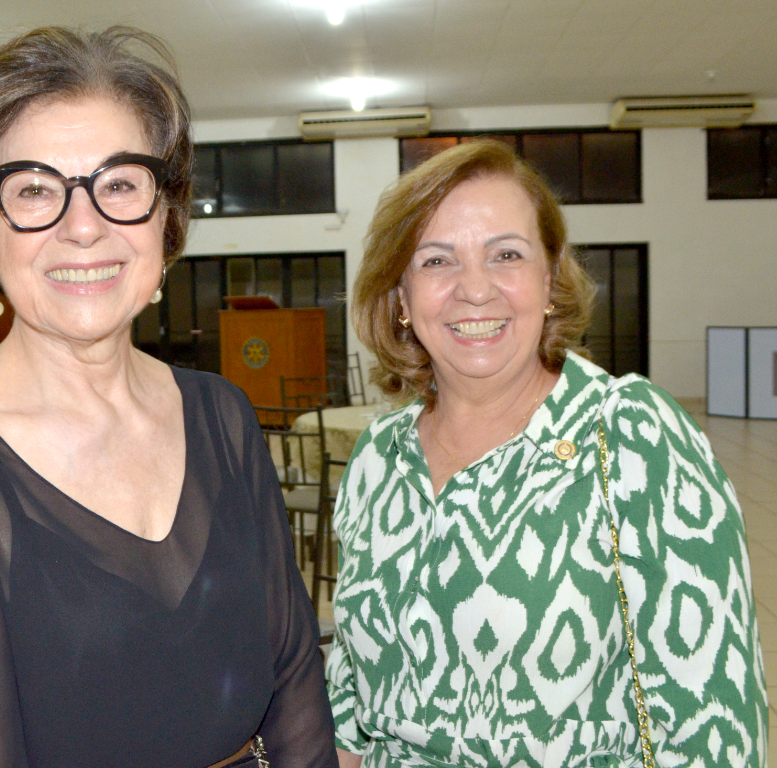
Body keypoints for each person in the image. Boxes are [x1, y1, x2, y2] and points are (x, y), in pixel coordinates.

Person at [0, 26, 337, 768]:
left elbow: (293, 674)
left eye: (119, 184)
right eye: (33, 190)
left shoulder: (221, 415)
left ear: (166, 216)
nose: (82, 227)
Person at [325, 139, 767, 767]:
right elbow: (350, 701)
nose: (474, 290)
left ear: (550, 280)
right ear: (400, 298)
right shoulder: (379, 458)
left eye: (505, 254)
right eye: (436, 261)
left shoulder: (631, 436)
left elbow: (715, 731)